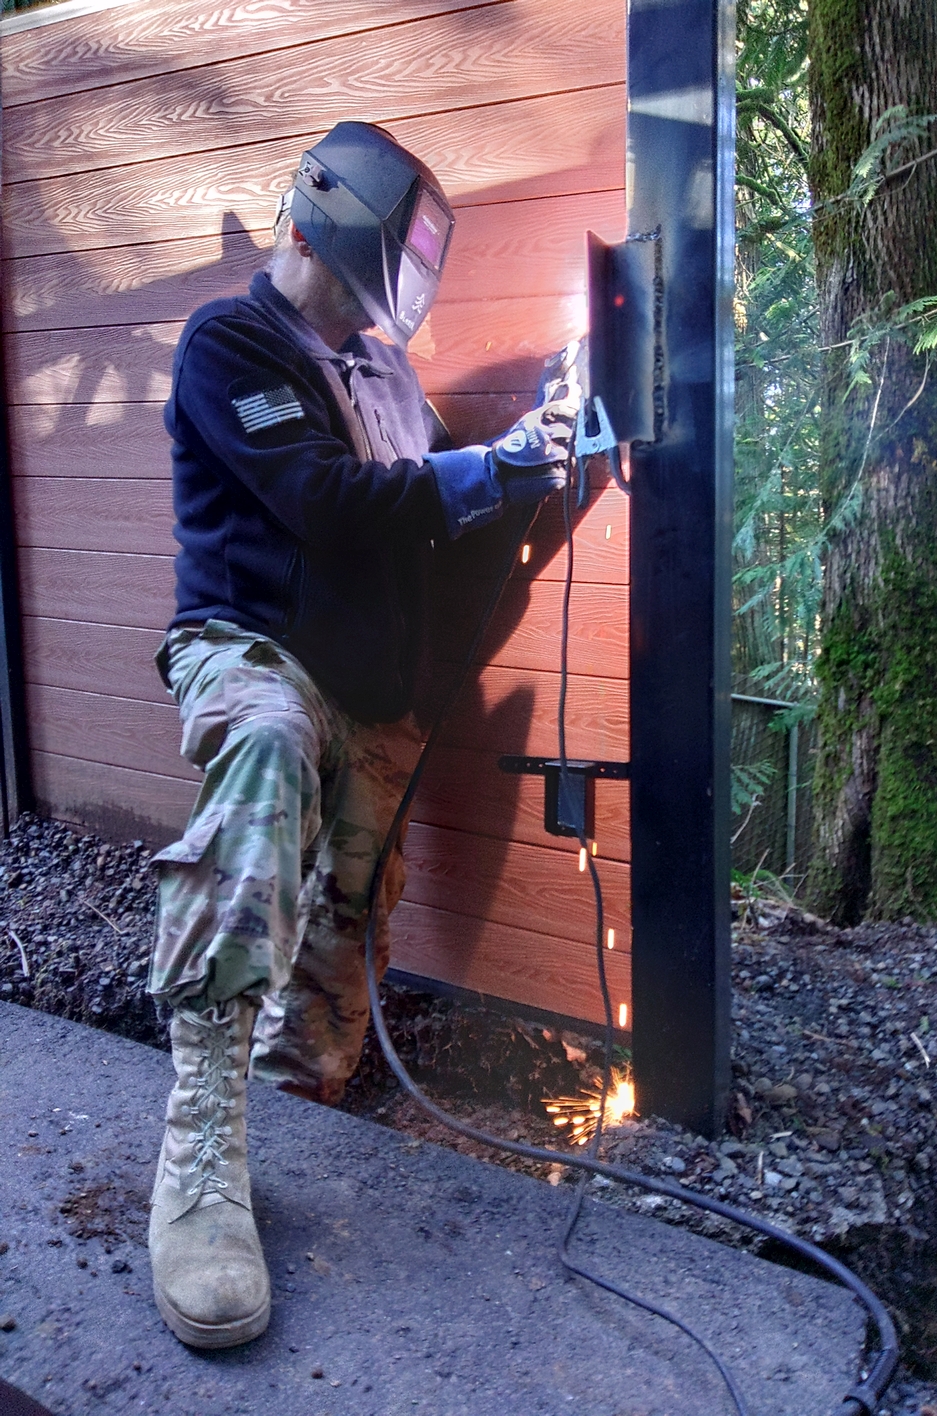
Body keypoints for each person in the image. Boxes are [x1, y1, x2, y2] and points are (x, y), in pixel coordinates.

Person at [146, 121, 579, 1351]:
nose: (379, 307)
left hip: (374, 692)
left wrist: (541, 460)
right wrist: (481, 472)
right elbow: (326, 506)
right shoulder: (230, 344)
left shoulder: (384, 370)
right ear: (320, 230)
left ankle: (286, 1133)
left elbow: (437, 523)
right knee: (273, 741)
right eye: (370, 279)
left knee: (340, 958)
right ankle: (198, 1159)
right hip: (254, 649)